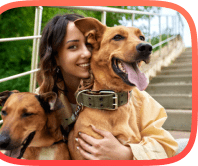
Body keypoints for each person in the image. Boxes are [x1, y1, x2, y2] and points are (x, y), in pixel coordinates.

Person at [36, 14, 178, 160]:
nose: (86, 53)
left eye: (90, 45)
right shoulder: (38, 103)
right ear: (55, 58)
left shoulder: (136, 97)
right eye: (73, 47)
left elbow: (166, 145)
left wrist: (126, 154)